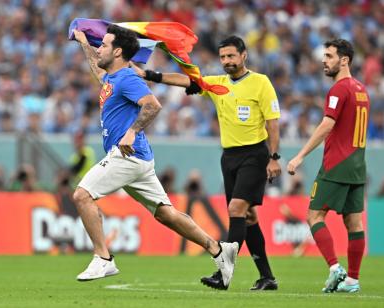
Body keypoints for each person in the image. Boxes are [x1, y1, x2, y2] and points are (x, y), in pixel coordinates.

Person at [71, 25, 238, 286]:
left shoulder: (127, 78)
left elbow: (152, 105)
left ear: (117, 52)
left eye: (103, 45)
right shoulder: (112, 78)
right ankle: (218, 250)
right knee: (165, 214)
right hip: (139, 159)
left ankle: (103, 258)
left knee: (82, 195)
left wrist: (132, 131)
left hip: (127, 155)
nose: (98, 48)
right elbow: (97, 68)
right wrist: (83, 41)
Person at [133, 35, 281, 291]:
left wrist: (274, 157)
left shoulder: (260, 83)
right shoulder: (218, 84)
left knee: (236, 209)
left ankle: (223, 274)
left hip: (255, 155)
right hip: (230, 157)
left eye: (232, 56)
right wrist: (149, 74)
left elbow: (273, 122)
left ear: (244, 55)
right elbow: (187, 81)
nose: (227, 61)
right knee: (247, 217)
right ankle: (267, 277)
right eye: (223, 57)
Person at [288, 39, 369, 293]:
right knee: (354, 223)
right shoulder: (361, 89)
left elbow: (327, 124)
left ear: (344, 60)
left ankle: (335, 269)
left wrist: (300, 155)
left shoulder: (339, 89)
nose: (324, 60)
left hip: (336, 164)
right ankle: (352, 281)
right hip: (357, 166)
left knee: (314, 216)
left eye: (329, 55)